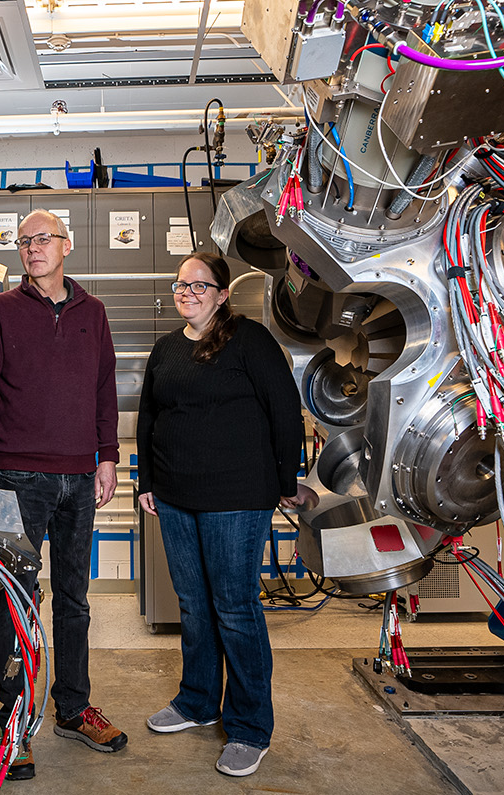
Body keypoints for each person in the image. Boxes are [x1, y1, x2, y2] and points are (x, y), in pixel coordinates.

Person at [0, 209, 127, 780]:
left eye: (43, 239)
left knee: (75, 600)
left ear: (67, 245)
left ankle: (73, 709)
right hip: (18, 480)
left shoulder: (94, 313)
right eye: (24, 241)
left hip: (81, 478)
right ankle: (15, 722)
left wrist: (108, 457)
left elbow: (104, 390)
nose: (32, 249)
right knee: (17, 600)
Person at [136, 251, 308, 777]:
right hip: (175, 496)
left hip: (236, 497)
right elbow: (149, 415)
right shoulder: (166, 349)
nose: (187, 293)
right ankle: (197, 701)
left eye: (199, 285)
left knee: (234, 608)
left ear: (222, 293)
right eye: (181, 285)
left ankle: (251, 726)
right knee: (193, 605)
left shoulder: (250, 340)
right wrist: (146, 481)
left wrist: (284, 481)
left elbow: (284, 410)